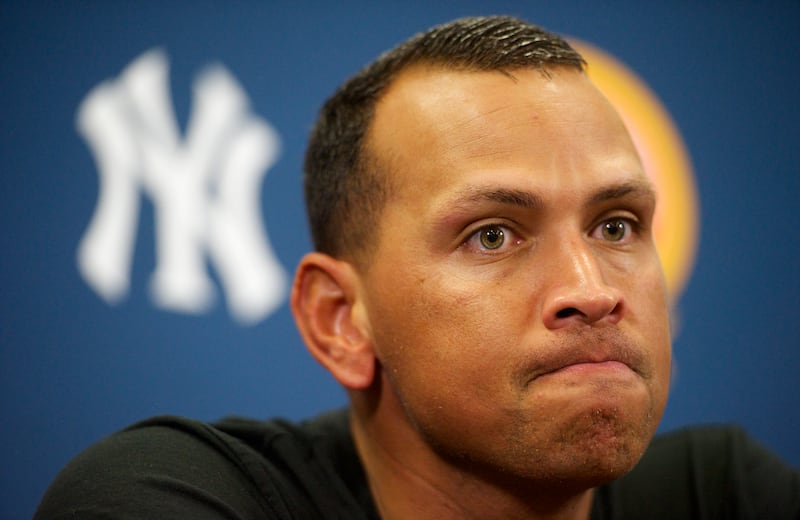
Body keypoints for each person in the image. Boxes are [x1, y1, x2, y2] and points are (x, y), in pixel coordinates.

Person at [35, 15, 799, 520]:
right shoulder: (168, 495)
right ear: (340, 320)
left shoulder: (721, 494)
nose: (592, 290)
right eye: (493, 236)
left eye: (616, 224)